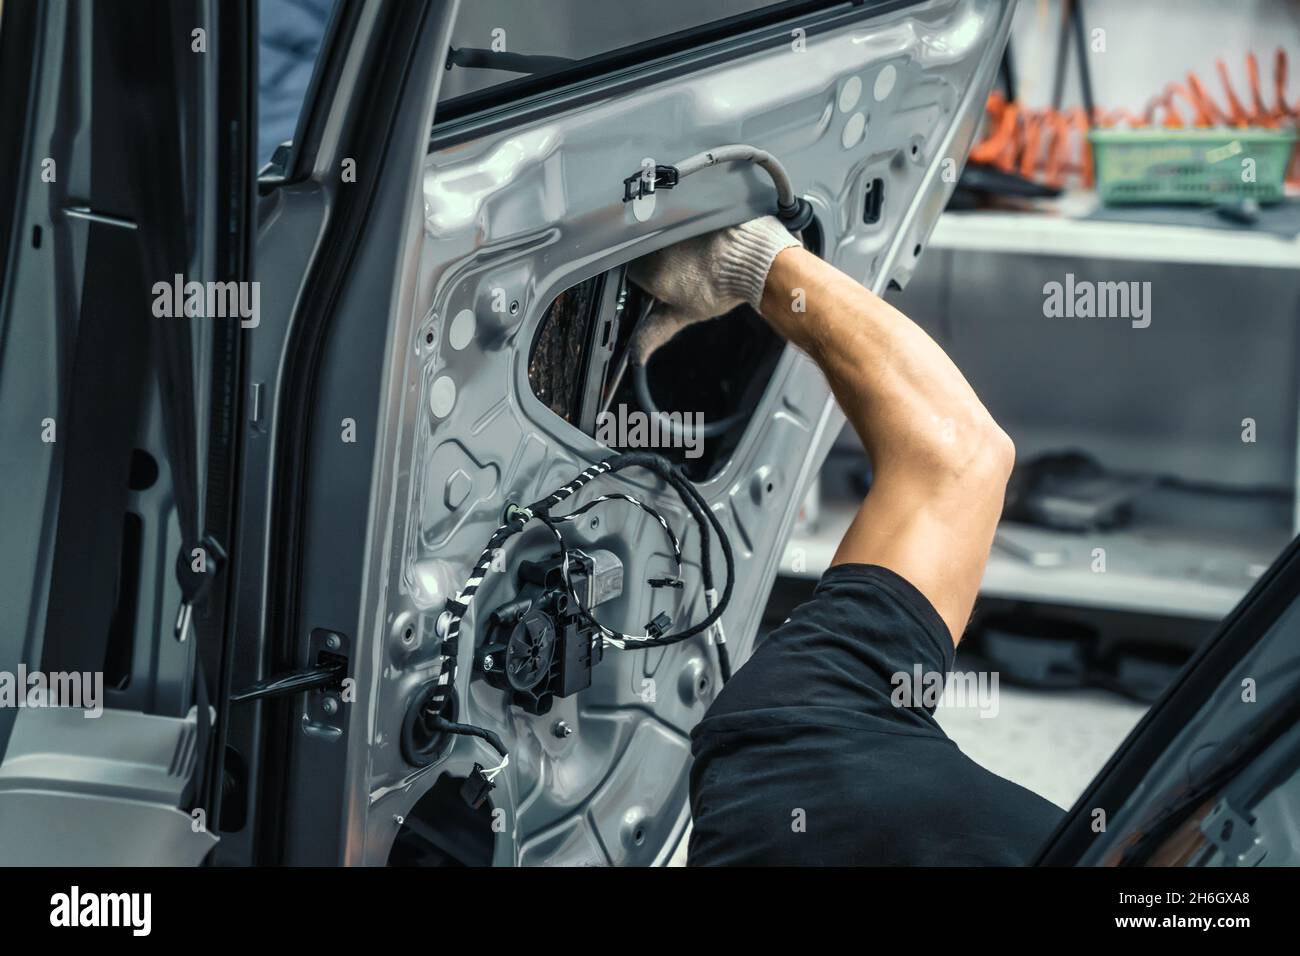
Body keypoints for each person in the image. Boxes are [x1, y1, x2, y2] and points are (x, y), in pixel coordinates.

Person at [629, 216, 1064, 865]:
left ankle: (736, 257)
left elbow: (958, 452)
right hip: (826, 778)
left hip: (814, 780)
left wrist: (744, 260)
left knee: (963, 462)